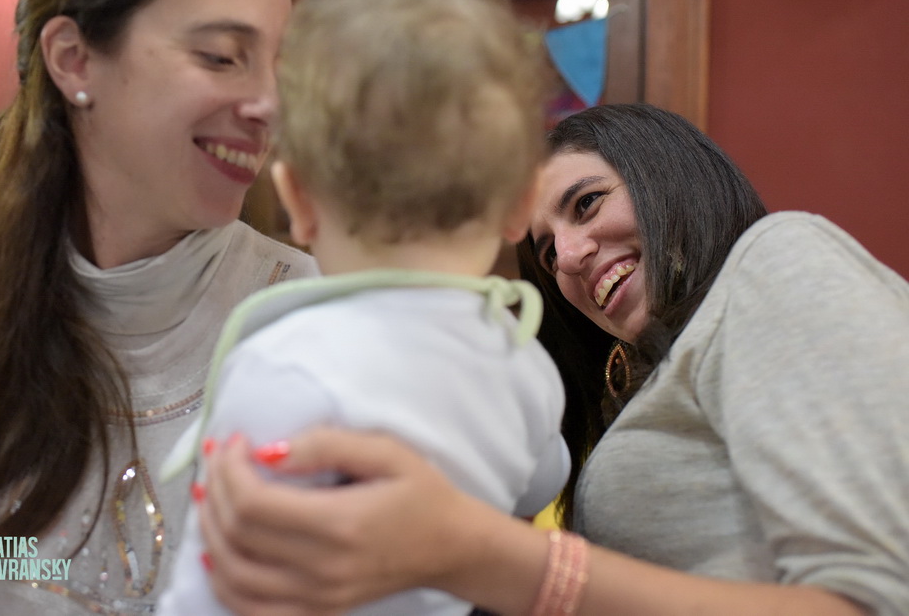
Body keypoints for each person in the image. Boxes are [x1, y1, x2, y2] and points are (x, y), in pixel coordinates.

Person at [194, 104, 909, 615]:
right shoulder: (612, 389)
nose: (567, 257)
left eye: (588, 203)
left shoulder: (778, 260)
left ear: (668, 173)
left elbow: (878, 595)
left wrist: (499, 561)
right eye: (544, 249)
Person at [0, 0, 321, 613]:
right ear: (73, 59)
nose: (269, 104)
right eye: (221, 55)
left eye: (280, 63)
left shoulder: (319, 330)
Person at [156, 0, 568, 615]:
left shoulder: (280, 364)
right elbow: (540, 479)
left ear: (298, 200)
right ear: (524, 204)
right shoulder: (525, 361)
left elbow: (211, 585)